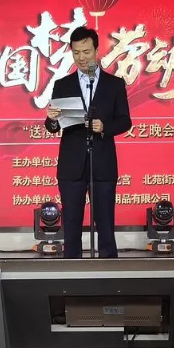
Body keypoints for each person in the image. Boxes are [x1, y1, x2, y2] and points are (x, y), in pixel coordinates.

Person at [44, 26, 132, 258]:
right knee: (71, 224)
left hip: (102, 163)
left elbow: (125, 121)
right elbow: (53, 126)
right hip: (71, 165)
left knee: (105, 224)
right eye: (76, 53)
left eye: (86, 52)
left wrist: (105, 127)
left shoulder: (114, 84)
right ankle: (71, 271)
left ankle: (109, 270)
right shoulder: (63, 84)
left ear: (96, 50)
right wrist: (51, 119)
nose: (81, 58)